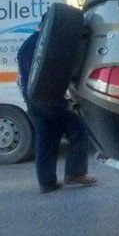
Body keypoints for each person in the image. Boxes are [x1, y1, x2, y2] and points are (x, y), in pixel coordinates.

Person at [17, 14, 97, 193]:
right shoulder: (46, 44)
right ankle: (75, 174)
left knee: (45, 139)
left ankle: (47, 183)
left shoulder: (25, 45)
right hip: (50, 98)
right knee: (78, 130)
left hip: (32, 101)